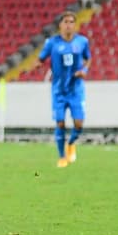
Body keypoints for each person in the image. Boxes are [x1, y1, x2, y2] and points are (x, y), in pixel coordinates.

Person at [37, 11, 90, 168]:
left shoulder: (82, 42)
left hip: (76, 90)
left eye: (71, 22)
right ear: (60, 25)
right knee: (60, 123)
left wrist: (84, 71)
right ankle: (62, 157)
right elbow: (40, 59)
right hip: (58, 91)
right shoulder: (52, 43)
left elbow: (88, 59)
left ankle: (71, 143)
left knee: (79, 124)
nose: (69, 25)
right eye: (66, 22)